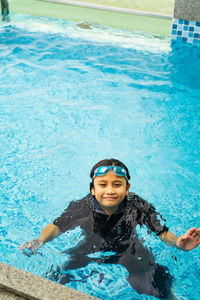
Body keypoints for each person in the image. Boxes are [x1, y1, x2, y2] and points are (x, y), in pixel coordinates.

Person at [20, 158, 200, 299]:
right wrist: (41, 240)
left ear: (127, 188)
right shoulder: (82, 207)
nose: (110, 190)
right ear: (93, 189)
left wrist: (178, 243)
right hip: (89, 247)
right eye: (103, 184)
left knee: (159, 283)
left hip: (129, 248)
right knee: (57, 276)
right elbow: (56, 227)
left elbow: (162, 232)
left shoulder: (138, 206)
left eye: (117, 184)